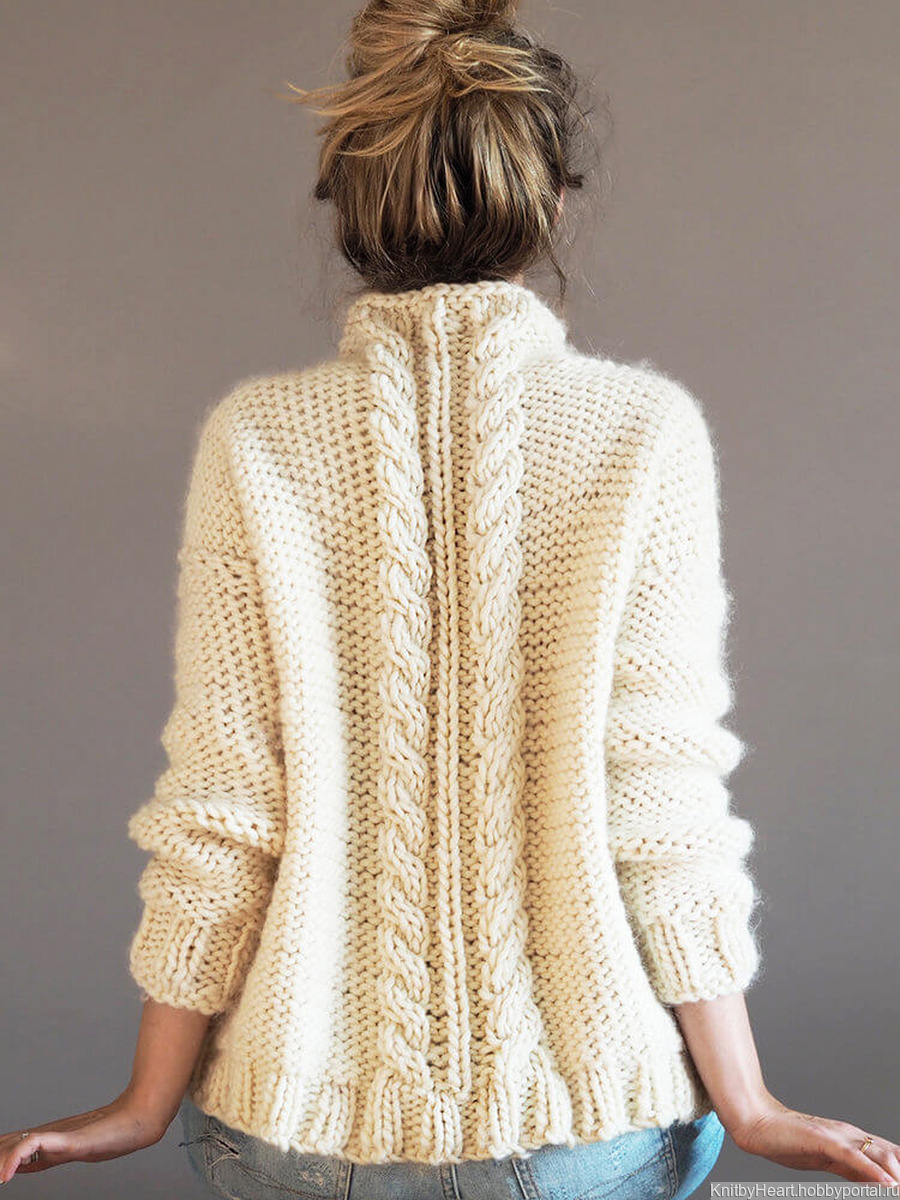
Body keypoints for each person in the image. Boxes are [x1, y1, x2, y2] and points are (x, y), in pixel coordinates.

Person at [2, 2, 898, 1197]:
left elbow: (224, 805)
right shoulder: (642, 436)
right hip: (585, 1134)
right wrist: (751, 1104)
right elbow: (661, 804)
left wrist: (142, 1103)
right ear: (556, 202)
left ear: (343, 207)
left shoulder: (258, 442)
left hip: (298, 1135)